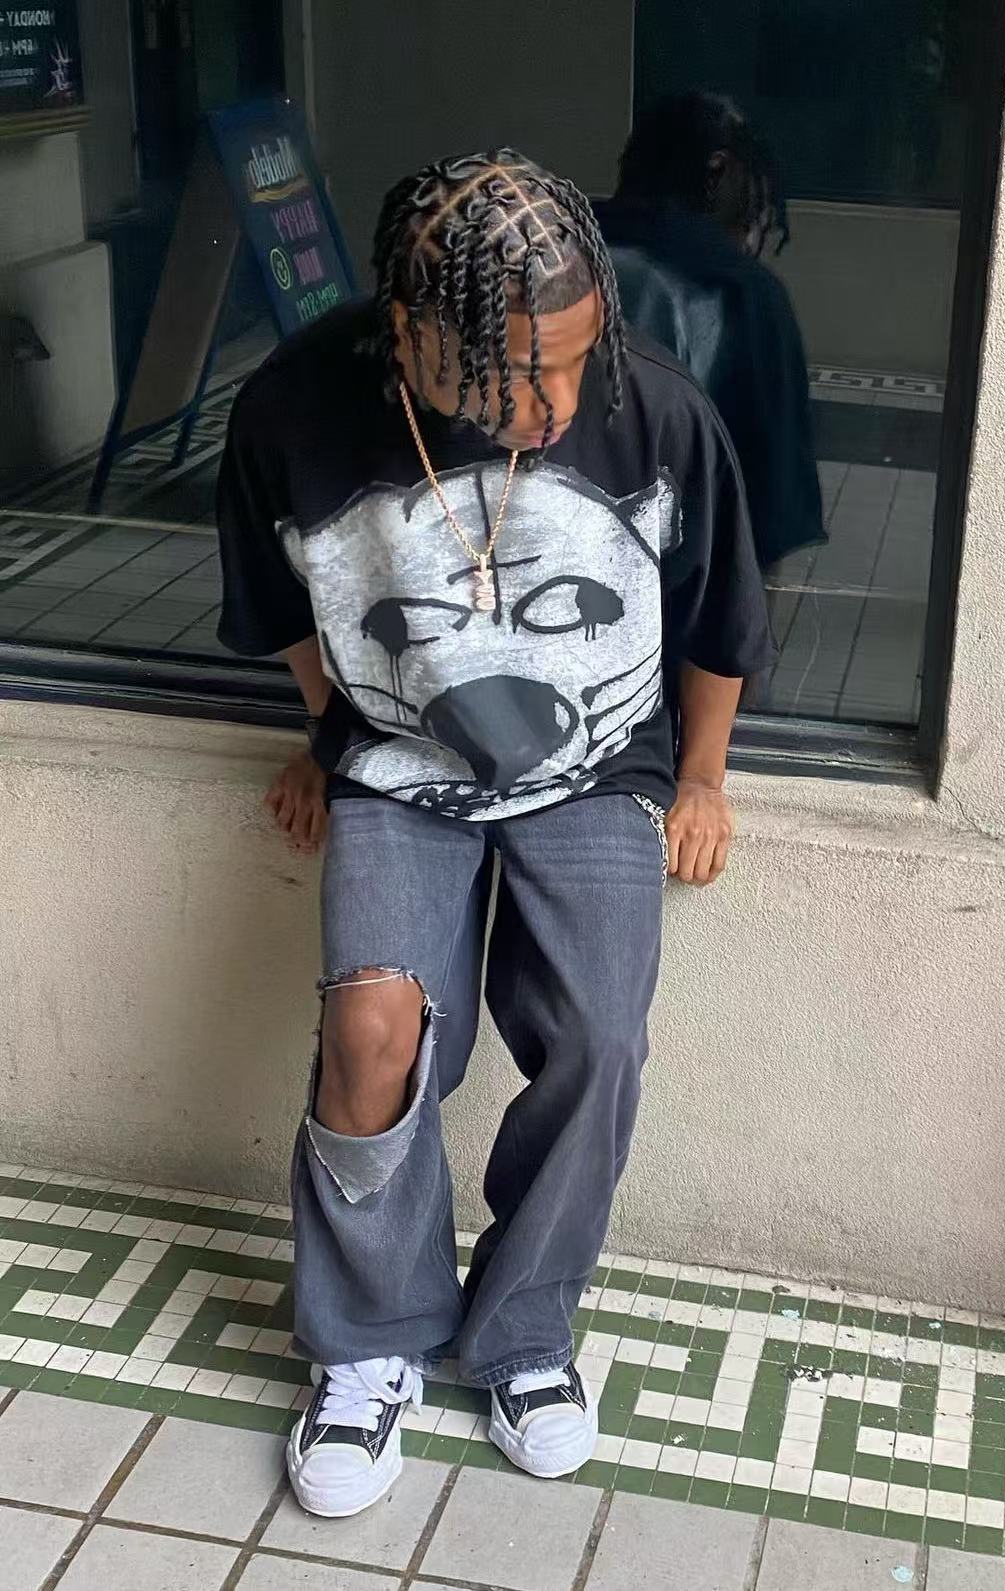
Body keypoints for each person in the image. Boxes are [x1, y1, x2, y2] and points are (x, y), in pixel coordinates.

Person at [216, 149, 774, 1518]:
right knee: (370, 1027)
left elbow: (720, 616)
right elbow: (288, 604)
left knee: (598, 1034)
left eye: (579, 359)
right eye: (528, 373)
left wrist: (703, 775)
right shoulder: (296, 408)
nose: (561, 402)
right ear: (413, 336)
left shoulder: (652, 407)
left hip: (598, 763)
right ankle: (370, 1339)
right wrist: (329, 734)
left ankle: (523, 1330)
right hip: (396, 763)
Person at [595, 92, 825, 570]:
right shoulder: (741, 294)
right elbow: (767, 503)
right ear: (718, 170)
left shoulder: (558, 250)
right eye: (752, 192)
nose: (756, 220)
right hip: (682, 571)